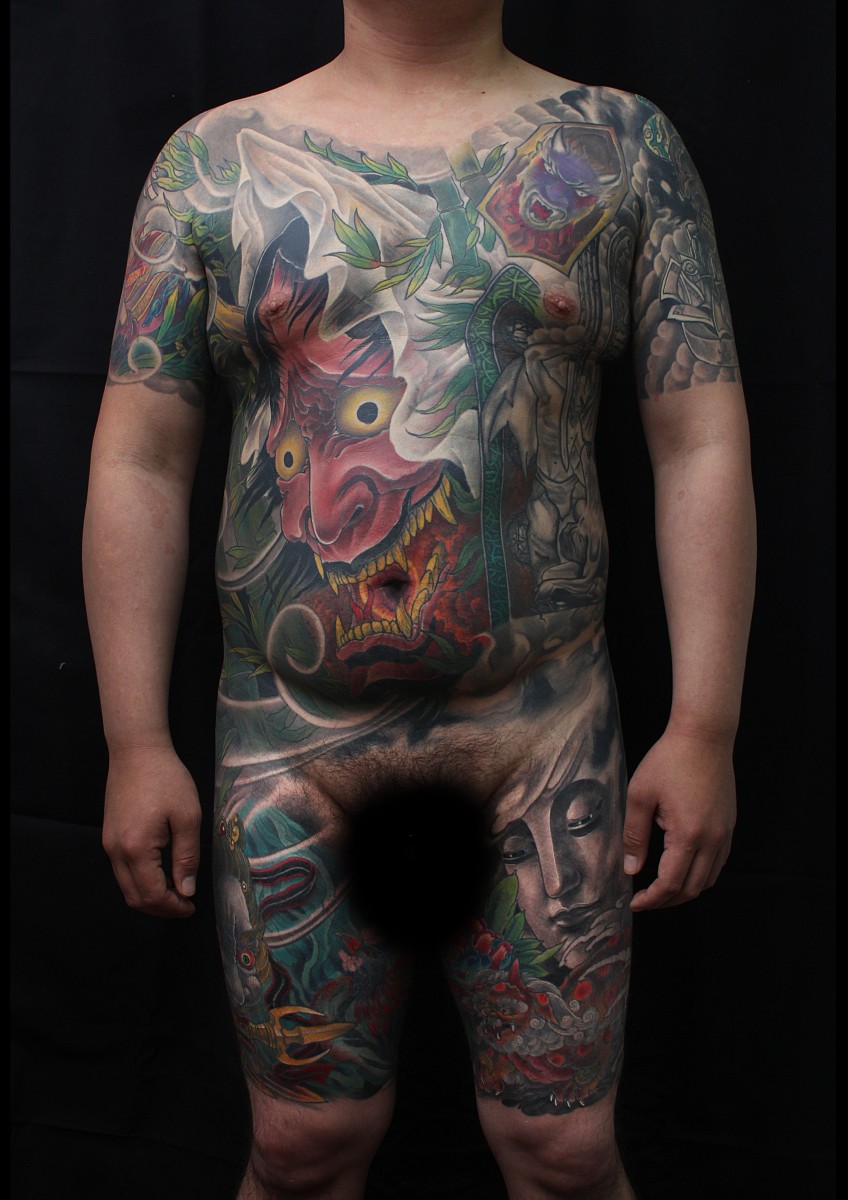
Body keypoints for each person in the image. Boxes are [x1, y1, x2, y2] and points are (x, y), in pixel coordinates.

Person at [81, 1, 756, 1196]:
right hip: (288, 754)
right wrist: (135, 742)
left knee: (562, 1152)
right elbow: (142, 459)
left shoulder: (619, 148)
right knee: (301, 1150)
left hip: (541, 742)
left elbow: (696, 439)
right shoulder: (214, 161)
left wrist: (703, 726)